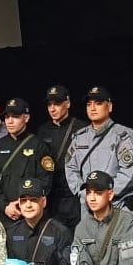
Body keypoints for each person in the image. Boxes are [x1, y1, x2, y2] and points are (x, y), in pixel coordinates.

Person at [65, 86, 133, 220]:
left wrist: (105, 195)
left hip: (117, 205)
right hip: (88, 208)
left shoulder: (122, 135)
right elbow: (71, 168)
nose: (92, 108)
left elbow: (130, 172)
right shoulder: (79, 137)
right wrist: (84, 193)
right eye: (89, 104)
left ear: (109, 106)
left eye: (98, 103)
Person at [0, 98, 54, 225]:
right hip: (4, 213)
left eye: (15, 117)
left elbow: (45, 181)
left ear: (26, 118)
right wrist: (5, 206)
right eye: (7, 117)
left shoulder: (39, 146)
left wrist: (24, 204)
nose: (10, 121)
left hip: (31, 215)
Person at [37, 84, 88, 229]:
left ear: (68, 103)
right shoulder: (42, 131)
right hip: (52, 198)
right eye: (49, 104)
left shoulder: (82, 128)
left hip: (75, 197)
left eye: (57, 104)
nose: (52, 109)